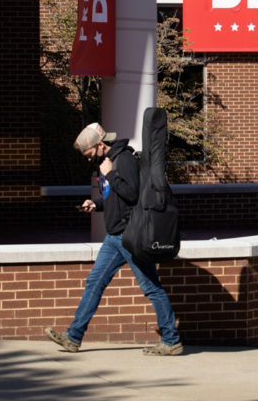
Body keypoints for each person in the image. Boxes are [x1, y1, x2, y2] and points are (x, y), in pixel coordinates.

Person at [45, 122, 183, 356]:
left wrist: (110, 173)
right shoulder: (106, 162)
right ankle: (73, 337)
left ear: (100, 145)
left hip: (130, 235)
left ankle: (171, 340)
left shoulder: (124, 160)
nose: (89, 160)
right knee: (94, 283)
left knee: (151, 287)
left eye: (89, 154)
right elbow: (114, 198)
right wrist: (96, 204)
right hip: (114, 238)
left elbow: (132, 194)